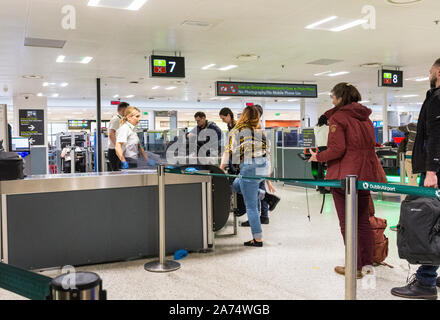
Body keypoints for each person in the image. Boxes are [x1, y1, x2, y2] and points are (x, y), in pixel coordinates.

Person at [309, 82, 383, 278]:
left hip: (344, 177)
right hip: (365, 175)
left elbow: (337, 150)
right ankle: (366, 264)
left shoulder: (339, 118)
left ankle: (354, 266)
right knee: (363, 221)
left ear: (340, 98)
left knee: (347, 222)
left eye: (333, 97)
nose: (331, 101)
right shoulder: (366, 119)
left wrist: (318, 157)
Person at [391, 58, 440, 300]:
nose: (429, 74)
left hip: (437, 173)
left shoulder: (437, 97)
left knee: (429, 222)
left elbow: (436, 136)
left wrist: (432, 170)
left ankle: (426, 282)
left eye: (431, 70)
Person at [219, 105, 279, 247]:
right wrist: (267, 177)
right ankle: (266, 196)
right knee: (236, 185)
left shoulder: (236, 131)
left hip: (250, 167)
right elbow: (268, 155)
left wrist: (221, 168)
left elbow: (227, 152)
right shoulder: (260, 132)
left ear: (243, 116)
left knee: (251, 206)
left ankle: (257, 239)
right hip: (262, 167)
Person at [108, 102, 129, 171]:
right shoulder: (116, 119)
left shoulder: (121, 120)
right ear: (123, 110)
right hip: (115, 151)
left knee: (119, 172)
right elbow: (111, 134)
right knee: (116, 173)